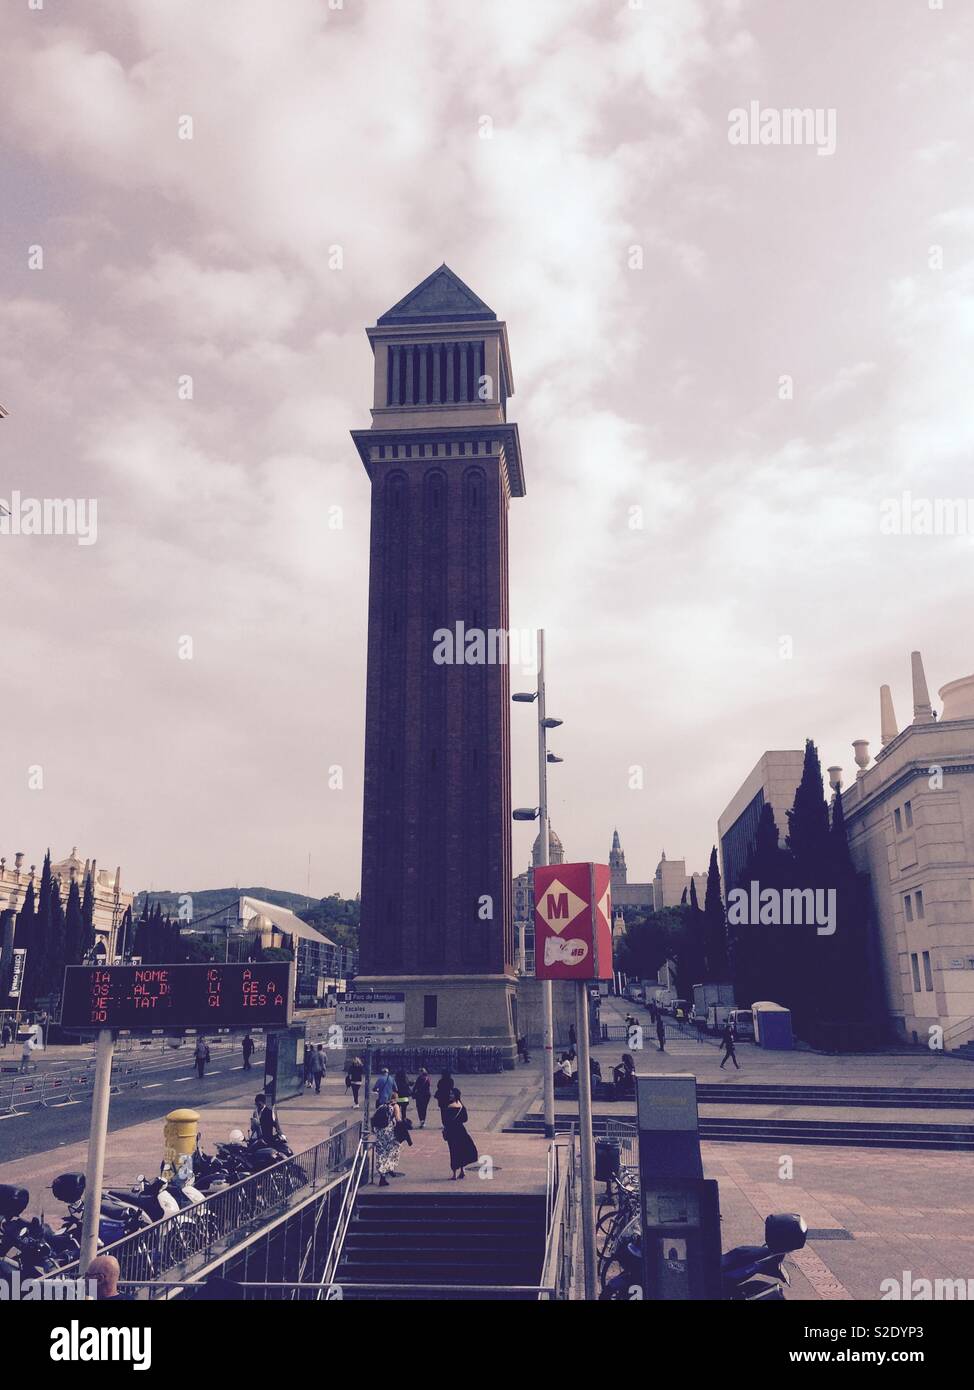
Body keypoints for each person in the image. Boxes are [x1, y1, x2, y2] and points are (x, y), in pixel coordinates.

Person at [442, 1088, 478, 1180]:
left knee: (453, 1152)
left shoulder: (449, 1107)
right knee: (461, 1150)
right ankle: (462, 1171)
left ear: (456, 1095)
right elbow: (465, 1119)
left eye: (452, 1094)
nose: (450, 1095)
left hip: (452, 1132)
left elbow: (445, 1121)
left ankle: (454, 1174)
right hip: (461, 1131)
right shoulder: (461, 1106)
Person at [372, 1097, 402, 1187]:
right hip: (389, 1133)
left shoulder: (381, 1106)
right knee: (394, 1150)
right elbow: (398, 1119)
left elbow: (374, 1118)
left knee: (381, 1153)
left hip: (380, 1133)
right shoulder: (395, 1106)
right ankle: (389, 1168)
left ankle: (382, 1174)